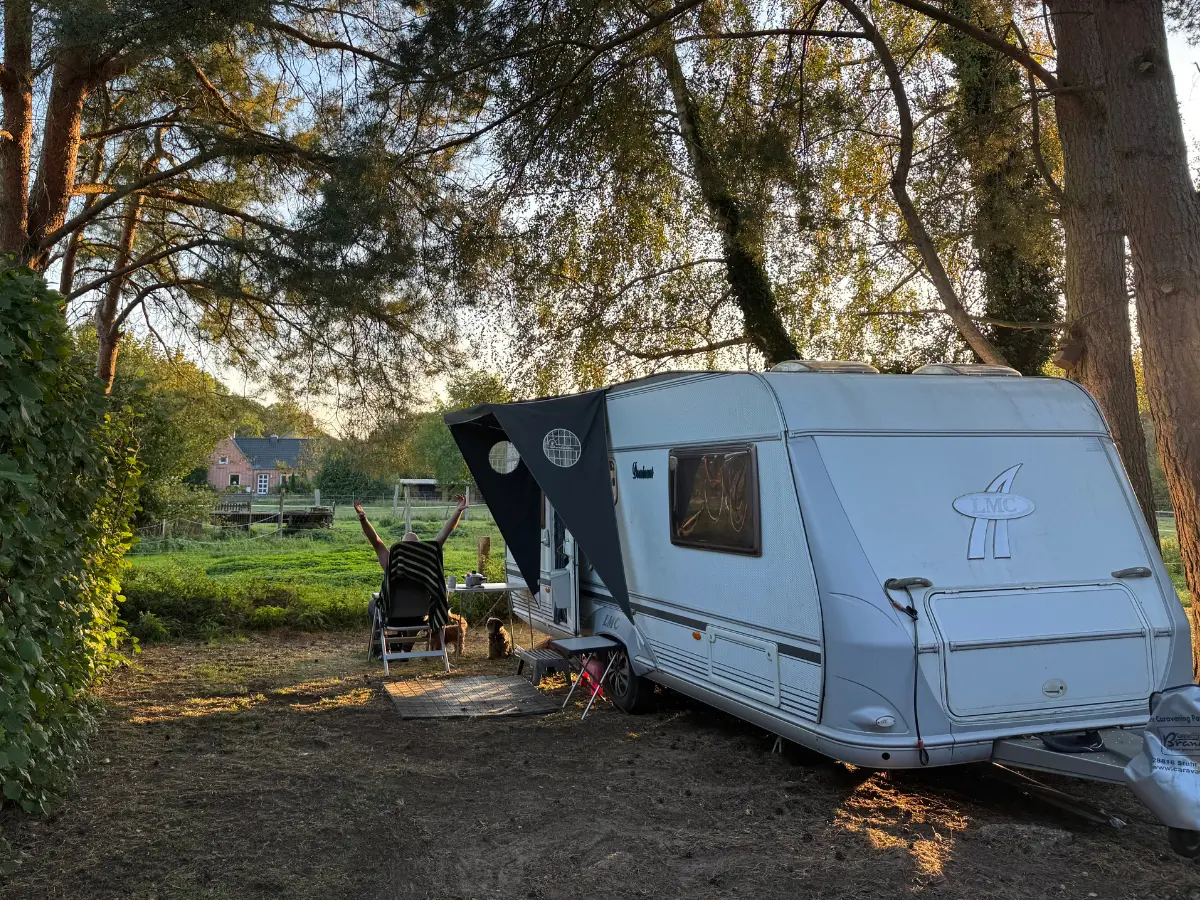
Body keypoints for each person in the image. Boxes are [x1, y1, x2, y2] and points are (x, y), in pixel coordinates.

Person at [354, 495, 469, 571]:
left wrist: (364, 520)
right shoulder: (425, 561)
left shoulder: (392, 564)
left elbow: (376, 542)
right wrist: (458, 511)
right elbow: (444, 534)